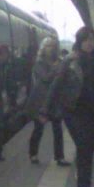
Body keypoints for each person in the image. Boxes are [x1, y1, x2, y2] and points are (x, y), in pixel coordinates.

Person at [45, 26, 94, 187]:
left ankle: (84, 184)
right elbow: (56, 85)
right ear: (79, 42)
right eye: (85, 40)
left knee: (89, 147)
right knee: (83, 143)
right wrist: (45, 109)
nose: (89, 43)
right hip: (73, 110)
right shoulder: (69, 61)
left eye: (91, 40)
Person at [25, 37, 69, 166]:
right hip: (41, 102)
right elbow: (45, 78)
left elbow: (63, 78)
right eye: (48, 46)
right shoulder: (38, 63)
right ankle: (33, 154)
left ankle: (59, 157)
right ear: (43, 48)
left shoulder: (59, 61)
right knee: (38, 129)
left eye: (53, 46)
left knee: (58, 129)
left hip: (55, 100)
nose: (51, 48)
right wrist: (56, 69)